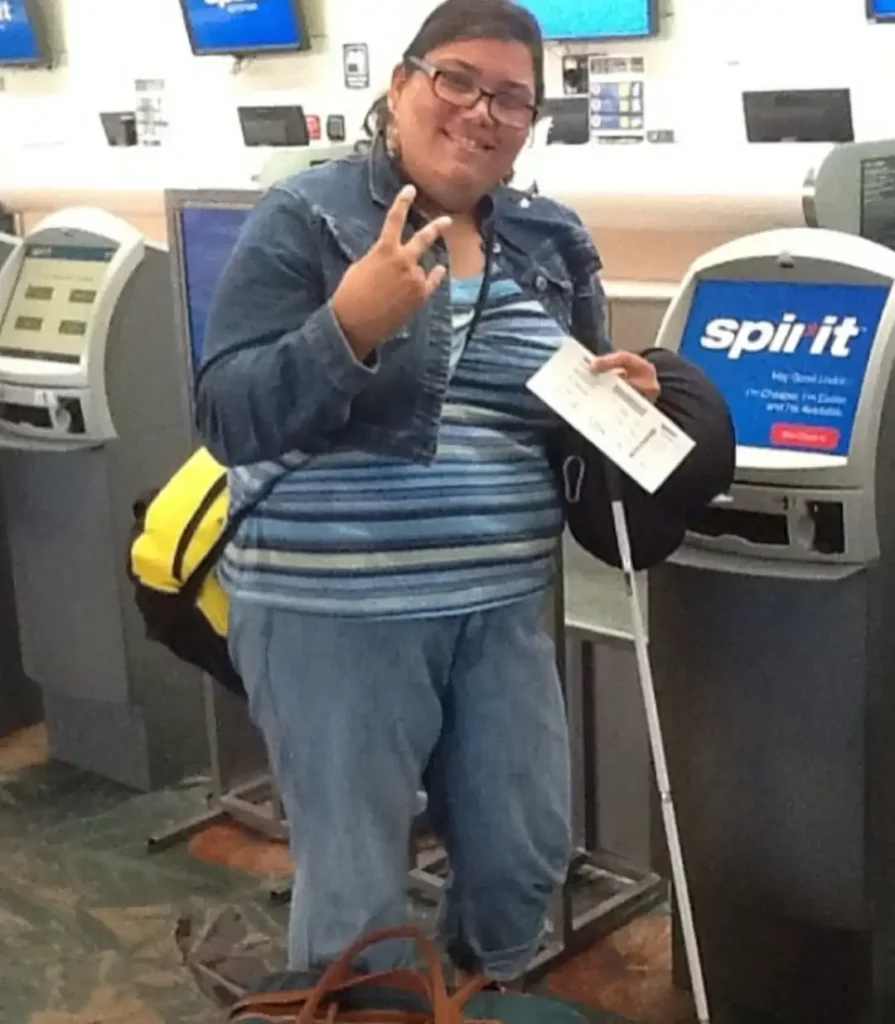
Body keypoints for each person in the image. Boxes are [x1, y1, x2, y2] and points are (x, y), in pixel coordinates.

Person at [196, 0, 660, 983]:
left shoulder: (551, 242)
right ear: (400, 84)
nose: (481, 111)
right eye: (457, 79)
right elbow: (225, 413)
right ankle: (367, 1006)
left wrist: (614, 398)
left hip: (499, 607)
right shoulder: (306, 217)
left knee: (521, 856)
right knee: (358, 889)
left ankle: (463, 998)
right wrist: (346, 330)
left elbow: (560, 415)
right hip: (335, 609)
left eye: (511, 98)